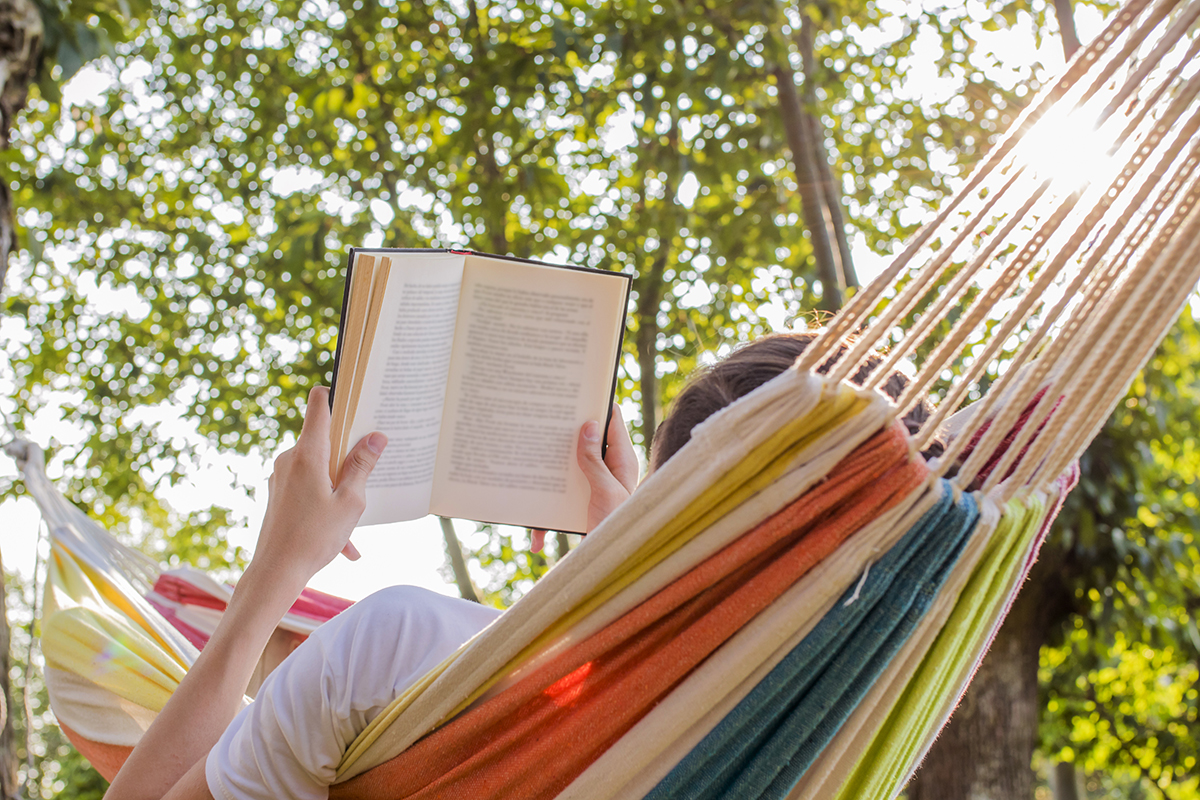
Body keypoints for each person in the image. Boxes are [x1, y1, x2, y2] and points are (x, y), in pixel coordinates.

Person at [105, 332, 931, 800]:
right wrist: (625, 571)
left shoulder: (407, 657)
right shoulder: (840, 747)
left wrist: (270, 580)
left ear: (669, 504)